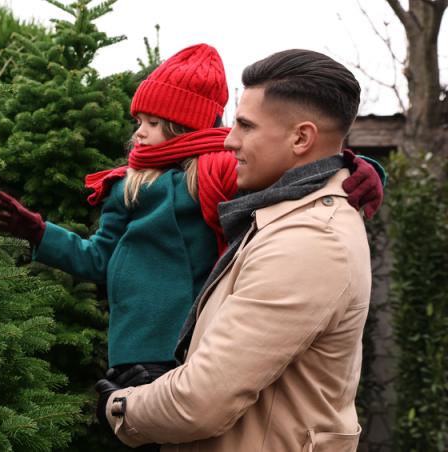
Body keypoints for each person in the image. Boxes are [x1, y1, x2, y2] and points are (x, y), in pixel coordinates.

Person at [0, 44, 382, 438]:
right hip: (131, 354)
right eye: (138, 120)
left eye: (154, 122)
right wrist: (41, 233)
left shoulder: (219, 172)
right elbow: (99, 259)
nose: (140, 132)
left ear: (183, 127)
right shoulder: (126, 185)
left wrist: (360, 169)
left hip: (184, 355)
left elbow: (304, 173)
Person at [100, 48, 374, 452]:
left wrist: (122, 405)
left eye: (246, 126)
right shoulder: (280, 214)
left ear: (301, 137)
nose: (228, 140)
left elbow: (201, 402)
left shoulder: (309, 242)